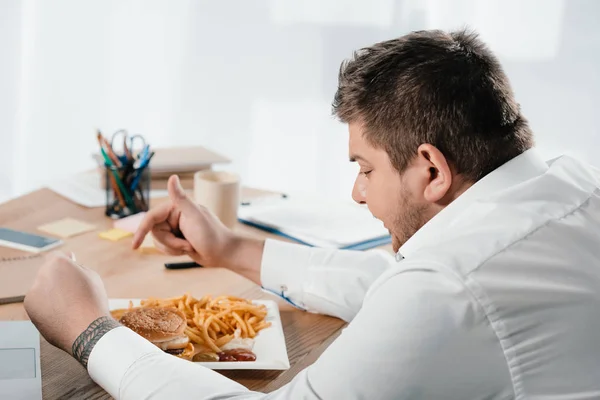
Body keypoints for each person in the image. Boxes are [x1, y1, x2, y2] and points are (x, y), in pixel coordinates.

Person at [24, 28, 600, 399]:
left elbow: (432, 293)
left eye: (366, 169)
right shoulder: (567, 189)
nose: (357, 194)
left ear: (431, 169)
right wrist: (230, 248)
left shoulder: (449, 287)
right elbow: (400, 285)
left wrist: (89, 330)